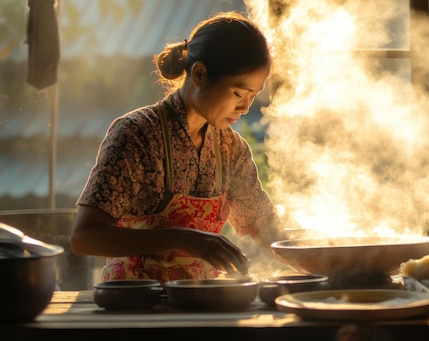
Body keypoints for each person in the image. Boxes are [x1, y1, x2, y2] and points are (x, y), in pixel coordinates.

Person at [70, 11, 283, 282]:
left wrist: (326, 261)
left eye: (253, 96)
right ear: (200, 74)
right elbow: (84, 238)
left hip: (200, 301)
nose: (245, 107)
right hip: (136, 304)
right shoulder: (136, 135)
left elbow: (263, 226)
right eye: (238, 93)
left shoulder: (231, 149)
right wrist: (184, 238)